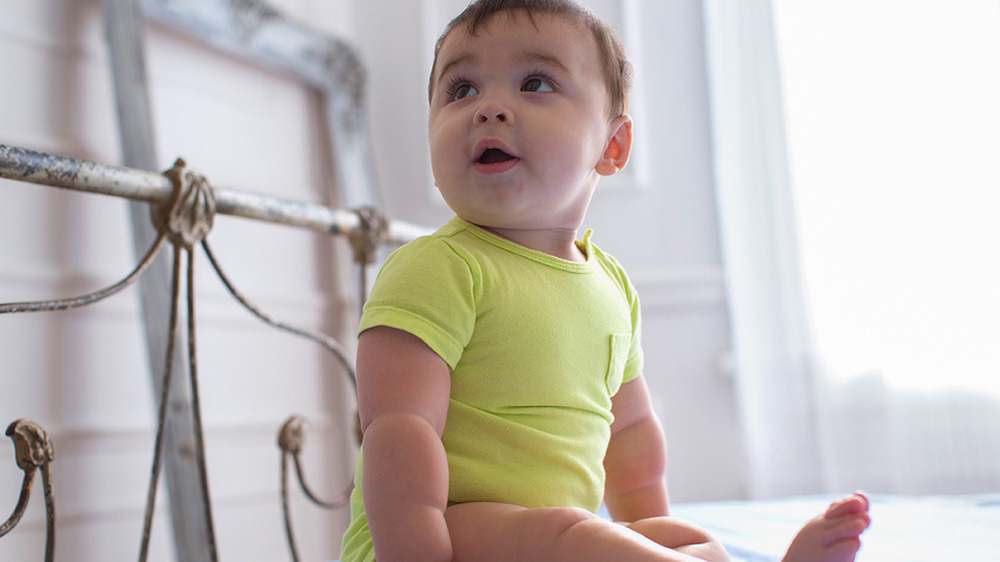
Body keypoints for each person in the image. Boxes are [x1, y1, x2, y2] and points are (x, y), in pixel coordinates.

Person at [339, 1, 871, 561]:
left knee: (690, 543)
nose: (489, 109)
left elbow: (631, 431)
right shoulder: (439, 267)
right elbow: (399, 429)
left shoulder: (611, 284)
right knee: (568, 533)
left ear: (612, 147)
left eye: (535, 82)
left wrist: (643, 531)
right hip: (436, 534)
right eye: (462, 90)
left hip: (546, 540)